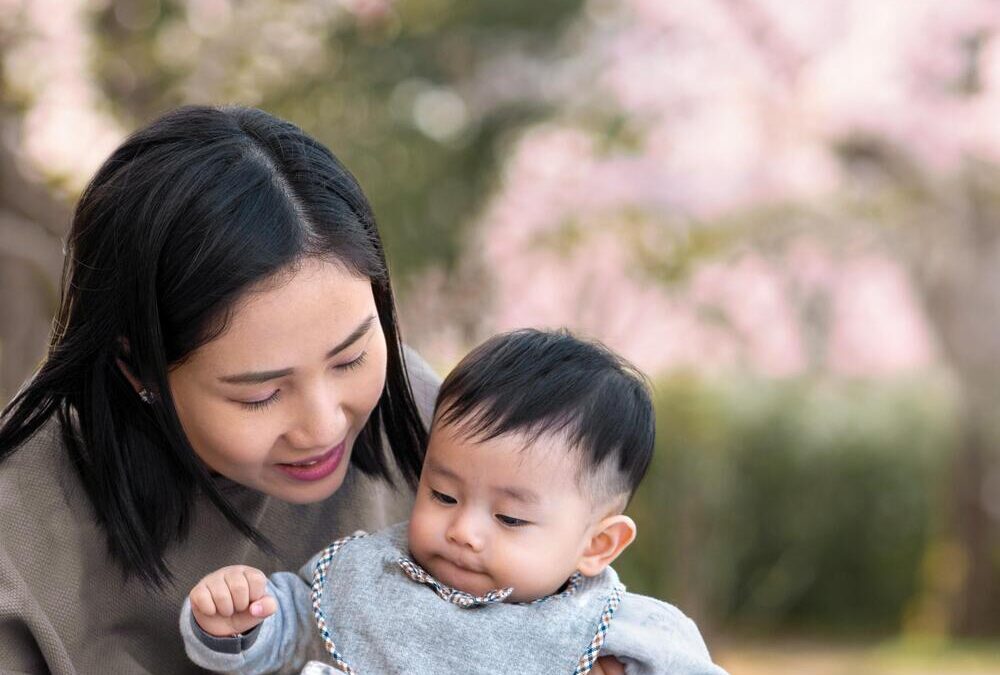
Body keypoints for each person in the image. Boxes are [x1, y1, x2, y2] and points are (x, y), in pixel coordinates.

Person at [0, 106, 440, 674]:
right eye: (260, 395)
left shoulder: (440, 425)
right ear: (139, 369)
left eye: (350, 358)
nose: (325, 425)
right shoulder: (23, 537)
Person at [180, 329, 728, 675]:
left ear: (597, 544)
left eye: (510, 517)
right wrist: (237, 622)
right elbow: (287, 631)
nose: (464, 529)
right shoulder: (366, 578)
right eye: (443, 494)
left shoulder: (619, 632)